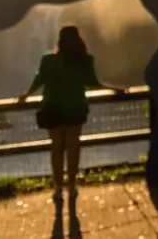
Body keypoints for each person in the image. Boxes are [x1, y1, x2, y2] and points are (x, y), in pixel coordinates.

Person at [18, 26, 122, 201]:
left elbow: (39, 79)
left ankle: (58, 187)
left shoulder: (49, 60)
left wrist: (26, 94)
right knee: (73, 148)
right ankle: (72, 186)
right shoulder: (85, 60)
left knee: (56, 148)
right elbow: (93, 82)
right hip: (75, 107)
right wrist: (114, 89)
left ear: (60, 40)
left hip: (53, 108)